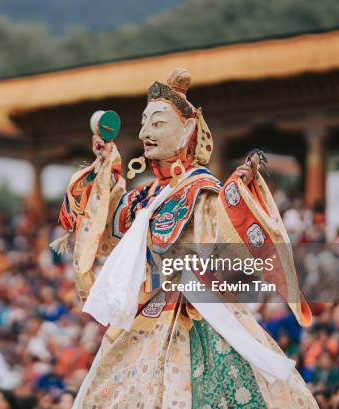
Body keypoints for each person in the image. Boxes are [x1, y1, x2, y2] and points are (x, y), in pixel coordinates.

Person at [55, 68, 317, 408]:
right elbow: (104, 231)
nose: (146, 132)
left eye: (159, 123)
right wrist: (104, 167)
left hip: (199, 311)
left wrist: (241, 184)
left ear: (189, 129)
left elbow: (224, 231)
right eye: (145, 123)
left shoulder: (201, 189)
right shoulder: (144, 195)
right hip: (147, 311)